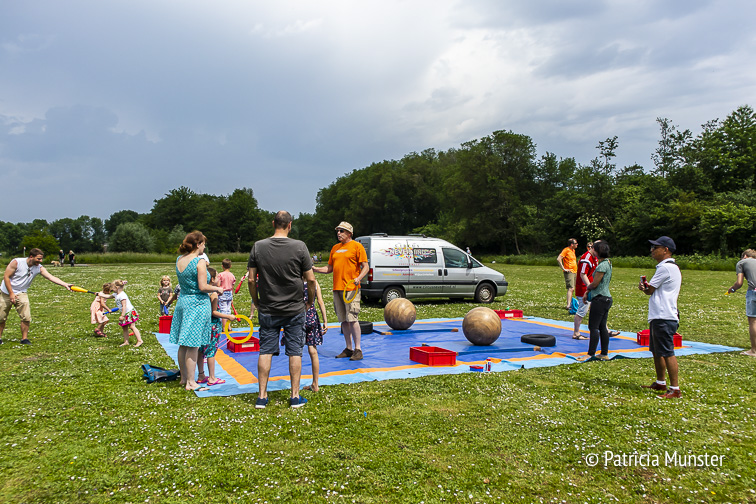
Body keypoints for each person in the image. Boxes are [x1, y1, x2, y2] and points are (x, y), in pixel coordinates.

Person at [248, 210, 316, 409]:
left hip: (268, 308)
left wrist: (256, 301)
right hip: (295, 308)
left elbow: (251, 279)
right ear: (290, 225)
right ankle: (295, 397)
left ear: (273, 223)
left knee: (265, 350)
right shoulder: (300, 246)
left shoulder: (258, 246)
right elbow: (311, 279)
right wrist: (309, 301)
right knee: (295, 352)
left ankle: (262, 397)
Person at [170, 231, 224, 392]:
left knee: (183, 344)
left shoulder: (179, 259)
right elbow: (202, 287)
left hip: (183, 302)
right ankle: (191, 382)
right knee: (193, 344)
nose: (204, 247)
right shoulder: (198, 261)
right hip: (197, 305)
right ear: (198, 244)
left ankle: (184, 378)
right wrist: (217, 289)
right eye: (204, 244)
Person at [313, 221, 369, 361]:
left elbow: (366, 266)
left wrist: (358, 278)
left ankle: (358, 349)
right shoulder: (335, 248)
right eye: (337, 231)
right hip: (338, 288)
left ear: (349, 233)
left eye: (341, 231)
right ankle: (349, 348)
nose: (338, 233)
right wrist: (314, 269)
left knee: (352, 319)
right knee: (343, 320)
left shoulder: (357, 246)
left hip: (351, 289)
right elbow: (329, 268)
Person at [639, 236, 682, 399]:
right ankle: (660, 382)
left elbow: (650, 290)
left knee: (667, 352)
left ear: (666, 250)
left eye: (655, 248)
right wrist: (646, 288)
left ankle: (675, 389)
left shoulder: (665, 268)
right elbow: (651, 289)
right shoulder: (670, 267)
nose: (652, 250)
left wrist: (644, 287)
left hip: (663, 315)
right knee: (657, 351)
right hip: (661, 315)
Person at [1, 248, 72, 345]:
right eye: (38, 259)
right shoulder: (17, 262)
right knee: (1, 317)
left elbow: (50, 277)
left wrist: (65, 284)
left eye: (41, 259)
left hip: (21, 293)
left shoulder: (39, 267)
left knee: (26, 317)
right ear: (31, 257)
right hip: (6, 292)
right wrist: (11, 293)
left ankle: (24, 339)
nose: (41, 261)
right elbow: (6, 277)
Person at [197, 267, 235, 386]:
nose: (219, 278)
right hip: (213, 326)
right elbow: (214, 312)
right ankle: (212, 377)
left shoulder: (203, 292)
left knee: (200, 350)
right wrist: (228, 316)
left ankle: (201, 375)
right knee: (211, 351)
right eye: (218, 276)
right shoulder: (213, 294)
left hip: (203, 325)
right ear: (212, 279)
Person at [581, 241, 613, 360]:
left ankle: (590, 354)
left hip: (600, 299)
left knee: (593, 327)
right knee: (602, 327)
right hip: (606, 299)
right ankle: (604, 353)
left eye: (594, 249)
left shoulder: (602, 266)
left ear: (598, 251)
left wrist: (587, 290)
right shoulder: (608, 263)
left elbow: (595, 284)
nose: (592, 251)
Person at [728, 249, 756, 357]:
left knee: (753, 321)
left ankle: (754, 351)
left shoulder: (742, 262)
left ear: (745, 256)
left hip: (753, 292)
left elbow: (739, 283)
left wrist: (732, 289)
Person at [302, 277, 328, 392]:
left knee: (296, 353)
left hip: (299, 317)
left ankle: (295, 385)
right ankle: (315, 384)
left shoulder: (296, 282)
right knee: (313, 351)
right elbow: (320, 302)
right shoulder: (314, 283)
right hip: (312, 317)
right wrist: (325, 320)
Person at [573, 242, 597, 340]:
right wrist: (589, 287)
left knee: (597, 308)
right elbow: (583, 274)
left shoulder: (595, 257)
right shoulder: (586, 258)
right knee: (582, 310)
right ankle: (576, 333)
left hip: (591, 287)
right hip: (583, 288)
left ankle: (605, 329)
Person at [109, 279, 143, 347]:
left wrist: (122, 315)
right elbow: (108, 296)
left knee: (132, 326)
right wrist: (99, 294)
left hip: (129, 312)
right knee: (124, 327)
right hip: (125, 313)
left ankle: (140, 340)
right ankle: (126, 342)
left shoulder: (122, 295)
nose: (111, 289)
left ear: (117, 287)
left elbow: (124, 306)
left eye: (112, 287)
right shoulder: (116, 294)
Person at [557, 238, 578, 310]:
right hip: (569, 272)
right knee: (571, 288)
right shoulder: (566, 250)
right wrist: (564, 268)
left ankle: (571, 303)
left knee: (573, 288)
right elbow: (559, 259)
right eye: (576, 243)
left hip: (574, 271)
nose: (577, 244)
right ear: (572, 244)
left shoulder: (573, 250)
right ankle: (568, 305)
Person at [217, 258, 236, 324]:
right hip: (229, 293)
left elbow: (218, 285)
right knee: (228, 310)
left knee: (223, 310)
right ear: (230, 266)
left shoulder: (220, 275)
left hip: (222, 293)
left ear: (222, 266)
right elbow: (232, 287)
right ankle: (228, 325)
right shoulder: (232, 275)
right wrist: (232, 296)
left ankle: (224, 326)